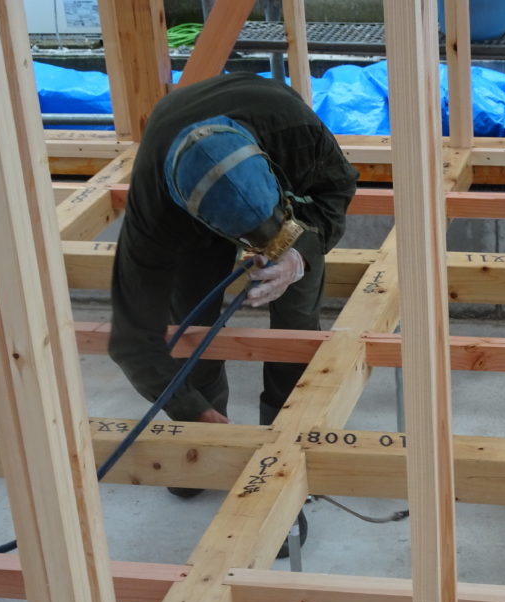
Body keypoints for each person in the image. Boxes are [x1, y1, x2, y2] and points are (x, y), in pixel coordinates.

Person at [109, 72, 358, 498]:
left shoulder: (296, 134)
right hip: (184, 209)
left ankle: (286, 443)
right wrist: (192, 411)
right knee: (191, 323)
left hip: (279, 164)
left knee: (296, 323)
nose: (251, 247)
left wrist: (296, 254)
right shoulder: (154, 216)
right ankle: (204, 441)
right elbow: (132, 341)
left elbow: (337, 191)